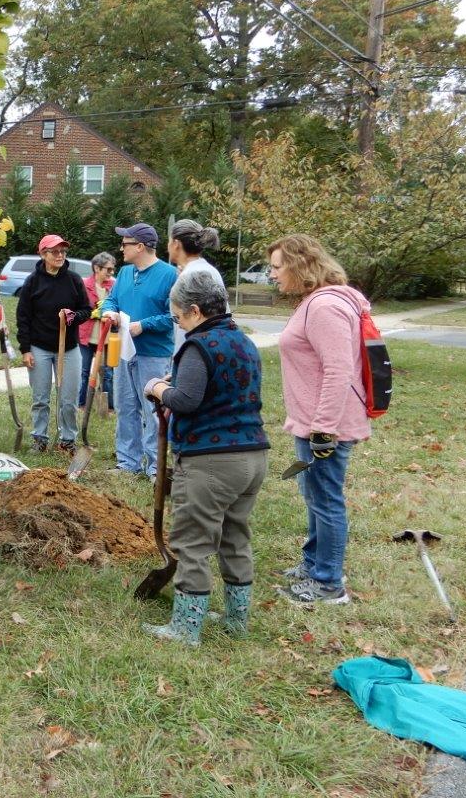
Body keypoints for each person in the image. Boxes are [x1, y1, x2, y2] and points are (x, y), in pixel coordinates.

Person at [142, 270, 269, 645]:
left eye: (179, 316)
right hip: (253, 456)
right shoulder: (243, 341)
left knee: (193, 542)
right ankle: (236, 620)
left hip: (211, 461)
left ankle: (185, 629)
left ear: (196, 310)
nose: (179, 324)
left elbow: (186, 400)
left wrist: (159, 387)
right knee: (235, 537)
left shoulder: (199, 346)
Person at [268, 233, 372, 605]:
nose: (273, 274)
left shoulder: (325, 306)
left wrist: (324, 428)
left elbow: (339, 368)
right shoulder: (316, 302)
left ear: (300, 265)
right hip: (314, 421)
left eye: (278, 267)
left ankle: (328, 583)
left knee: (326, 499)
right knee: (314, 494)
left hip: (325, 425)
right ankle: (314, 563)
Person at [100, 223, 177, 478]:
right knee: (126, 406)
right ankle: (128, 463)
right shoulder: (124, 272)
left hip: (153, 353)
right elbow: (112, 298)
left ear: (140, 246)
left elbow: (174, 316)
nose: (121, 248)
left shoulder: (169, 275)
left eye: (126, 244)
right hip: (124, 351)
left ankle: (156, 467)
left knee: (153, 410)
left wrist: (143, 326)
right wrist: (108, 310)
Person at [17, 235, 90, 454]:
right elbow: (23, 317)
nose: (60, 255)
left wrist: (72, 317)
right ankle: (39, 439)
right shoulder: (32, 282)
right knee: (41, 398)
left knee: (68, 399)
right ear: (43, 254)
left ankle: (68, 440)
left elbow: (86, 310)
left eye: (62, 252)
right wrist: (25, 349)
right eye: (54, 252)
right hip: (39, 347)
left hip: (68, 348)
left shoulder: (74, 280)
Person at [167, 219, 226, 354]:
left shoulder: (190, 276)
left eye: (169, 241)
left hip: (196, 353)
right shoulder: (208, 270)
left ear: (176, 244)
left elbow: (187, 325)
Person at [78, 251, 116, 410]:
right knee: (84, 372)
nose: (111, 273)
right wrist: (91, 313)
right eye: (108, 269)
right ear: (96, 268)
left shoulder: (114, 286)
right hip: (86, 337)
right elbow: (77, 309)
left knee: (108, 374)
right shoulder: (84, 285)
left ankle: (108, 407)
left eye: (113, 269)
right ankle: (81, 404)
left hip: (107, 338)